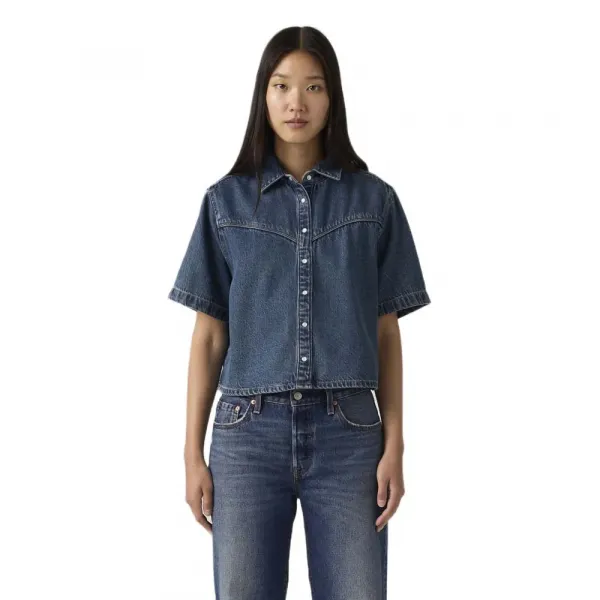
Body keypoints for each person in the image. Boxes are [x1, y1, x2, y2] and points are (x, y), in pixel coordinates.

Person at [168, 25, 431, 600]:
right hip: (247, 435)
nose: (296, 102)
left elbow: (387, 334)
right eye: (282, 85)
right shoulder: (226, 202)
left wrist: (395, 443)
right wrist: (191, 454)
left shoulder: (375, 201)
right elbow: (208, 337)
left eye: (313, 86)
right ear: (263, 96)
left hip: (350, 435)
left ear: (332, 97)